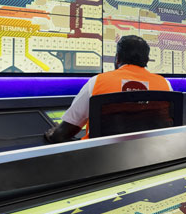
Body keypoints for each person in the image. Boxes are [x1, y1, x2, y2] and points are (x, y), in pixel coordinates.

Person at [44, 35, 172, 142]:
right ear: (147, 60)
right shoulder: (165, 84)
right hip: (149, 158)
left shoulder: (97, 82)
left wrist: (53, 134)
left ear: (117, 58)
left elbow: (62, 134)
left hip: (100, 160)